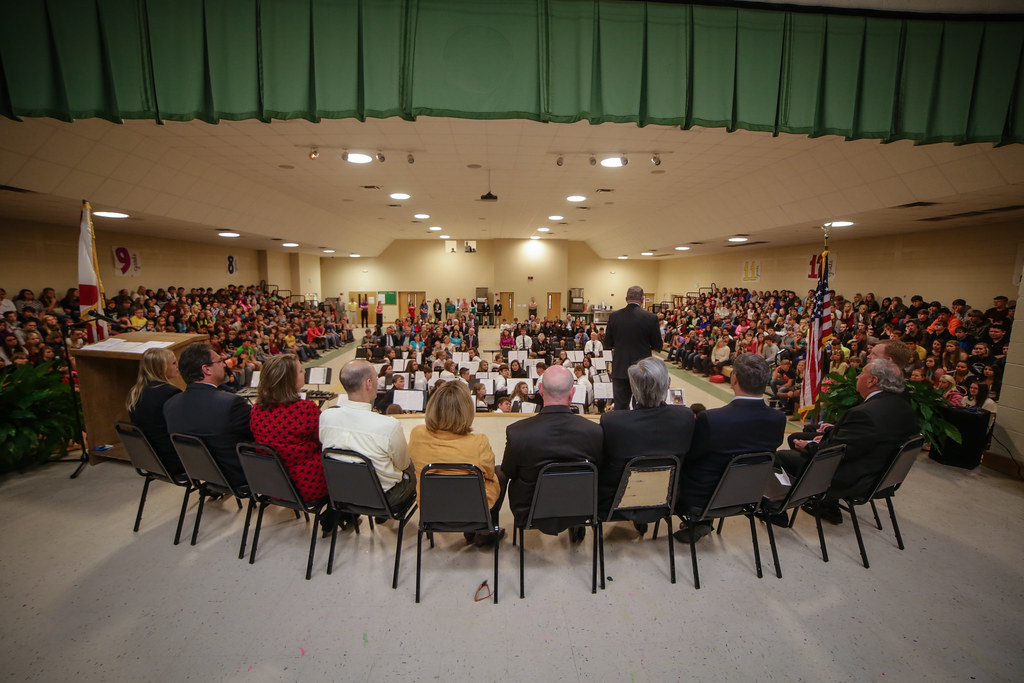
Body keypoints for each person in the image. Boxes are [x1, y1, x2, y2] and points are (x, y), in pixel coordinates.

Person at [776, 359, 918, 525]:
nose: (857, 377)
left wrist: (809, 446)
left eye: (861, 373)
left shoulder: (866, 412)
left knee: (779, 457)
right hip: (879, 474)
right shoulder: (903, 407)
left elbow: (835, 454)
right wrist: (830, 432)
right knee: (801, 439)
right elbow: (862, 439)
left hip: (852, 478)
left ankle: (779, 511)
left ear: (873, 380)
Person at [675, 354, 786, 543]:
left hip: (704, 496)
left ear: (733, 379)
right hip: (749, 492)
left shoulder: (712, 419)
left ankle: (700, 520)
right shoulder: (778, 418)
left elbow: (692, 457)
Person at [500, 365, 602, 540]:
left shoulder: (517, 432)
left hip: (530, 510)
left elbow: (509, 471)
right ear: (572, 393)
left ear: (540, 390)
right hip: (581, 508)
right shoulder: (594, 431)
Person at [249, 354, 347, 535]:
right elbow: (326, 442)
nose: (304, 372)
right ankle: (340, 511)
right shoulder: (305, 409)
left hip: (272, 482)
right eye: (301, 370)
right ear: (289, 379)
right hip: (306, 484)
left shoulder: (257, 409)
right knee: (347, 463)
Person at [408, 381, 507, 546]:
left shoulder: (417, 434)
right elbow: (489, 473)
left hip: (431, 508)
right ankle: (484, 530)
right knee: (500, 474)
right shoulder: (478, 441)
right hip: (471, 508)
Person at [598, 357, 694, 524]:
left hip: (614, 504)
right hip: (667, 501)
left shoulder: (612, 422)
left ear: (633, 388)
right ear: (668, 384)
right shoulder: (685, 417)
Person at [320, 359, 416, 509]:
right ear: (368, 383)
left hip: (342, 491)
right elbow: (402, 465)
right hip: (383, 497)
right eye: (377, 379)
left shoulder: (326, 416)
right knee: (412, 465)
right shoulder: (389, 425)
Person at [163, 342, 253, 488]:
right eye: (220, 361)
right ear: (206, 369)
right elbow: (258, 433)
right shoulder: (231, 403)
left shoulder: (170, 405)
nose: (224, 365)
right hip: (237, 475)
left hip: (199, 473)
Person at [126, 348, 184, 476]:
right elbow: (183, 428)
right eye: (174, 363)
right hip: (172, 460)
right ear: (160, 369)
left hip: (149, 459)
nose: (177, 366)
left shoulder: (135, 392)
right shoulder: (169, 392)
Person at [604, 285, 662, 410]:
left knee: (620, 406)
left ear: (626, 299)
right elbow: (658, 345)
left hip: (620, 367)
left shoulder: (614, 316)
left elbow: (607, 343)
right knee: (642, 406)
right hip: (643, 370)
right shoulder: (650, 318)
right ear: (642, 299)